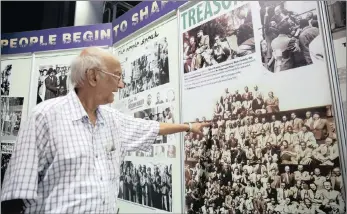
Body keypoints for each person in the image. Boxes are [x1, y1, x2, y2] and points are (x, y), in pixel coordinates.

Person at [1, 47, 209, 214]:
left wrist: (189, 127)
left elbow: (152, 127)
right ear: (93, 76)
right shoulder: (45, 116)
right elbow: (15, 195)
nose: (122, 84)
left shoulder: (112, 119)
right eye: (117, 76)